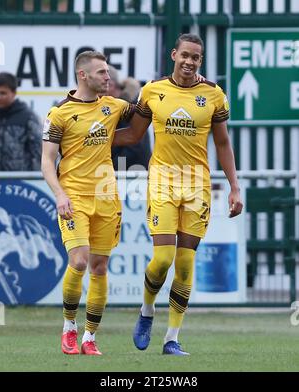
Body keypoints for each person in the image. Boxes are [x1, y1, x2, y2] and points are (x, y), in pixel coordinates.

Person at [113, 33, 243, 356]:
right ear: (174, 54)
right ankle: (146, 311)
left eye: (195, 57)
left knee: (185, 265)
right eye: (184, 55)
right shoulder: (153, 91)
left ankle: (172, 338)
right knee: (162, 259)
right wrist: (92, 139)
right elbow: (133, 134)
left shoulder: (213, 95)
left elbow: (224, 144)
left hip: (198, 186)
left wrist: (234, 187)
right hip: (162, 182)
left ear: (201, 61)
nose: (189, 61)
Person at [41, 51, 134, 356]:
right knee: (79, 262)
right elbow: (46, 162)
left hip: (107, 198)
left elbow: (149, 107)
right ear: (84, 75)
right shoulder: (59, 114)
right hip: (74, 198)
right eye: (103, 73)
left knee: (99, 267)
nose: (109, 78)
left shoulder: (114, 106)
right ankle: (69, 327)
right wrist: (60, 194)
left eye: (108, 73)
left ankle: (90, 336)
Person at [107, 65, 151, 170]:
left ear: (111, 85)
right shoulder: (110, 108)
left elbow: (135, 149)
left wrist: (108, 168)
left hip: (133, 177)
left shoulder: (130, 108)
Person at [0, 72, 42, 171]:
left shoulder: (28, 117)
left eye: (3, 93)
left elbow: (38, 151)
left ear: (14, 93)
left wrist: (36, 179)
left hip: (19, 182)